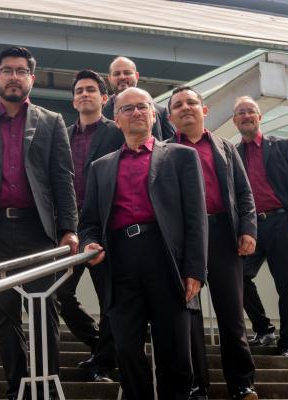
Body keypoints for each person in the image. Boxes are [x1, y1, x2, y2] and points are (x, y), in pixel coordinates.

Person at [0, 46, 79, 400]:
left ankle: (46, 388)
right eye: (7, 70)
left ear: (31, 79)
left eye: (21, 71)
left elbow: (63, 179)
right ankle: (18, 388)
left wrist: (68, 228)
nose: (14, 77)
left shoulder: (51, 121)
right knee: (2, 313)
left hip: (38, 230)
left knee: (43, 310)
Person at [80, 87, 208, 400]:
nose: (136, 112)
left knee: (175, 352)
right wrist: (89, 244)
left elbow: (196, 217)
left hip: (166, 260)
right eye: (128, 108)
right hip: (121, 262)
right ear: (116, 119)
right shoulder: (100, 167)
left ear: (153, 114)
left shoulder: (181, 156)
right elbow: (89, 222)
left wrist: (195, 269)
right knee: (126, 348)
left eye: (143, 107)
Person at [167, 86, 258, 400]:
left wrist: (248, 230)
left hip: (222, 235)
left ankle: (242, 383)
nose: (185, 108)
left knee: (232, 314)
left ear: (204, 110)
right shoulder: (164, 151)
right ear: (170, 117)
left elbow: (244, 194)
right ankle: (196, 385)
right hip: (183, 240)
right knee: (188, 314)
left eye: (191, 102)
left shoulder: (226, 147)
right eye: (178, 105)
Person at [232, 96, 288, 357]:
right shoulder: (232, 154)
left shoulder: (283, 145)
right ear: (235, 121)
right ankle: (264, 329)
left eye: (251, 111)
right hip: (251, 228)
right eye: (240, 113)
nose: (246, 116)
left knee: (287, 287)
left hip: (284, 224)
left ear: (259, 117)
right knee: (238, 277)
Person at [56, 69, 123, 383]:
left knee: (108, 297)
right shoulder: (62, 134)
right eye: (79, 91)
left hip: (105, 226)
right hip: (69, 227)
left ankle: (104, 364)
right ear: (73, 101)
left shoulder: (116, 132)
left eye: (91, 90)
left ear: (104, 98)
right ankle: (101, 347)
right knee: (59, 293)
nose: (85, 94)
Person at [102, 56, 175, 140]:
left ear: (136, 76)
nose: (122, 77)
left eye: (127, 73)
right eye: (117, 74)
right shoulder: (101, 112)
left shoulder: (161, 111)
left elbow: (172, 144)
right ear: (109, 79)